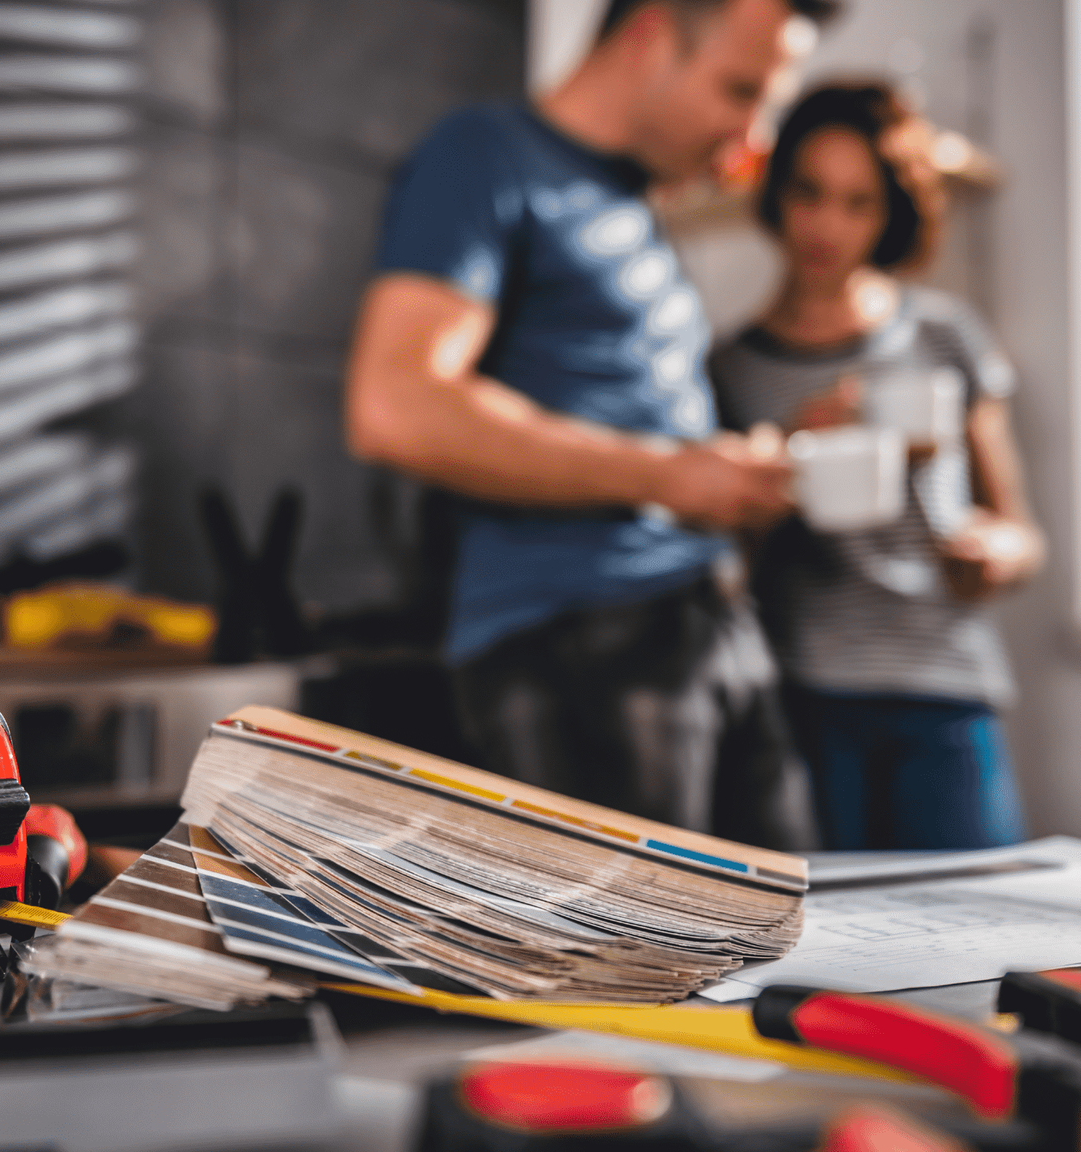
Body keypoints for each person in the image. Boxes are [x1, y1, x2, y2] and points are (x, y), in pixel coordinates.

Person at [343, 0, 838, 848]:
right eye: (738, 89)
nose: (753, 136)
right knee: (645, 975)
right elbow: (396, 404)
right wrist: (670, 476)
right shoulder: (484, 156)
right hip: (581, 645)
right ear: (649, 36)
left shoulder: (629, 202)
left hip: (712, 625)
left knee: (792, 944)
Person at [710, 83, 1046, 851]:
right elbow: (725, 568)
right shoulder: (732, 368)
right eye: (809, 193)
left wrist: (995, 553)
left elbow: (1022, 531)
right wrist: (789, 450)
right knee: (830, 955)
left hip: (947, 691)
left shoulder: (946, 336)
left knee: (975, 949)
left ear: (889, 213)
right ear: (777, 193)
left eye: (858, 203)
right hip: (807, 700)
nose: (827, 226)